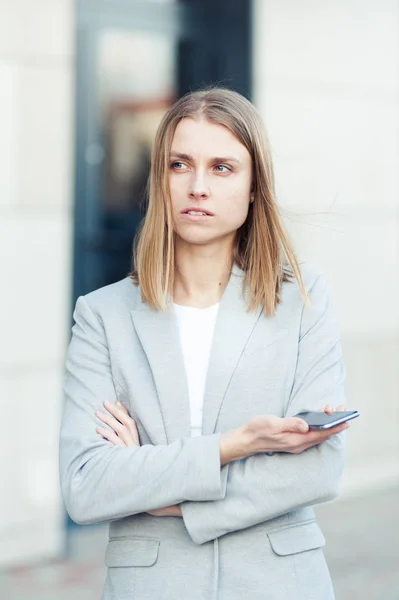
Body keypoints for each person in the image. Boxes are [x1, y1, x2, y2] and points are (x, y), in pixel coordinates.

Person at [59, 88, 350, 600]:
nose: (197, 186)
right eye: (179, 164)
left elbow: (319, 470)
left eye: (222, 168)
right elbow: (86, 486)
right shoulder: (102, 315)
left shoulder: (303, 302)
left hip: (280, 583)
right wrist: (235, 447)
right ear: (160, 179)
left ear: (255, 184)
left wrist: (161, 495)